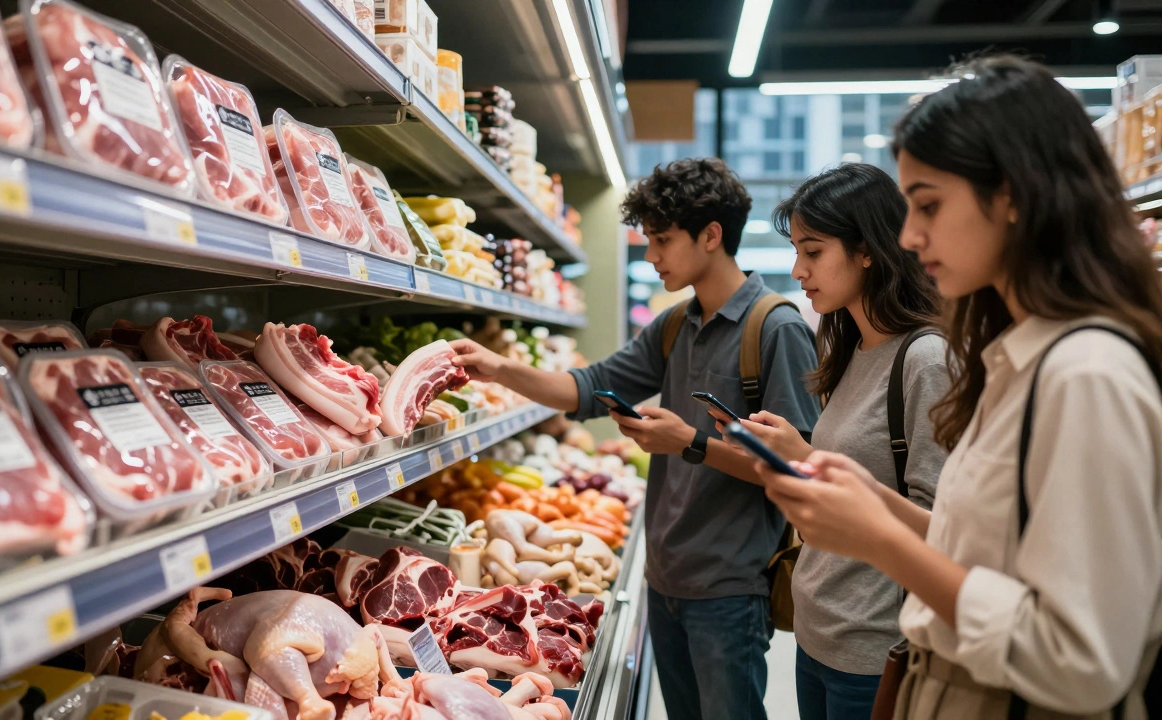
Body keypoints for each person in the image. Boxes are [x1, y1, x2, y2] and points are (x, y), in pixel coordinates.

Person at [754, 55, 1162, 719]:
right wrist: (871, 503)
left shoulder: (1087, 375)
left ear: (1013, 197)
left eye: (929, 205)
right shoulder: (1013, 359)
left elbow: (1085, 661)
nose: (911, 237)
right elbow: (983, 546)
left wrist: (881, 540)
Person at [449, 157, 820, 720]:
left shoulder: (776, 328)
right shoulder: (674, 325)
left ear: (712, 235)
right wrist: (500, 369)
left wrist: (690, 444)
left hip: (729, 587)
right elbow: (587, 388)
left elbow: (796, 470)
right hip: (663, 578)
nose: (651, 255)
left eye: (663, 240)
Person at [711, 163, 948, 719]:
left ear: (867, 249)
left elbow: (942, 524)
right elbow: (848, 482)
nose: (797, 270)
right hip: (818, 630)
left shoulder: (925, 360)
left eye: (813, 252)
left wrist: (810, 458)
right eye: (796, 251)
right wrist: (786, 458)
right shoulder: (848, 350)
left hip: (874, 646)